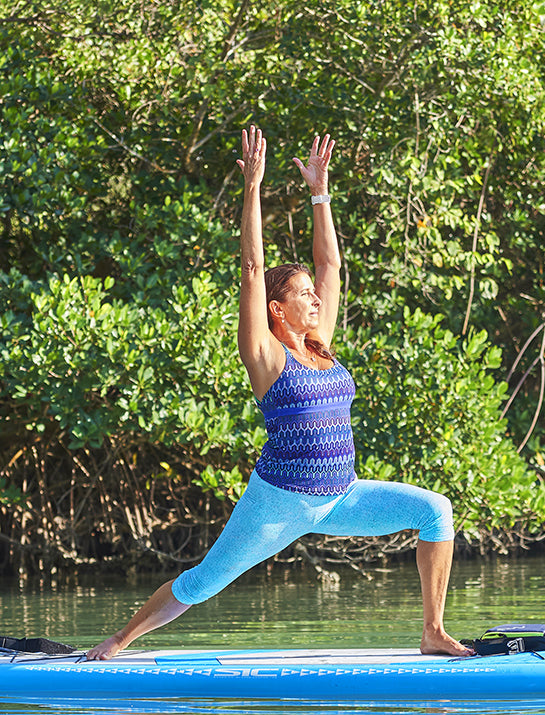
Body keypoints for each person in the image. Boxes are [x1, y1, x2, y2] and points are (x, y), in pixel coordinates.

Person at [86, 126, 472, 660]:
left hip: (341, 495)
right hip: (279, 502)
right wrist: (253, 189)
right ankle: (117, 642)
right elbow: (251, 268)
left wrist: (320, 192)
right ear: (276, 308)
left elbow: (332, 265)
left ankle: (433, 633)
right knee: (203, 583)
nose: (316, 299)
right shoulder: (267, 357)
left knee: (436, 511)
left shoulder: (322, 345)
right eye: (304, 294)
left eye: (315, 295)